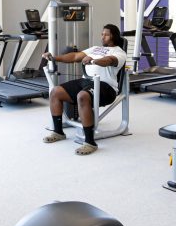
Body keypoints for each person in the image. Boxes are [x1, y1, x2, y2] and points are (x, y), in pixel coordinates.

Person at [41, 24, 128, 155]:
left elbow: (109, 60)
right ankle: (58, 132)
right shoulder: (95, 48)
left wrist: (95, 61)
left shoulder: (119, 52)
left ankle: (90, 142)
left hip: (106, 87)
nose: (103, 36)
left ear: (113, 36)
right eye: (102, 34)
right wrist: (53, 58)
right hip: (85, 81)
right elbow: (75, 56)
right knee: (55, 92)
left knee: (83, 96)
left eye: (106, 34)